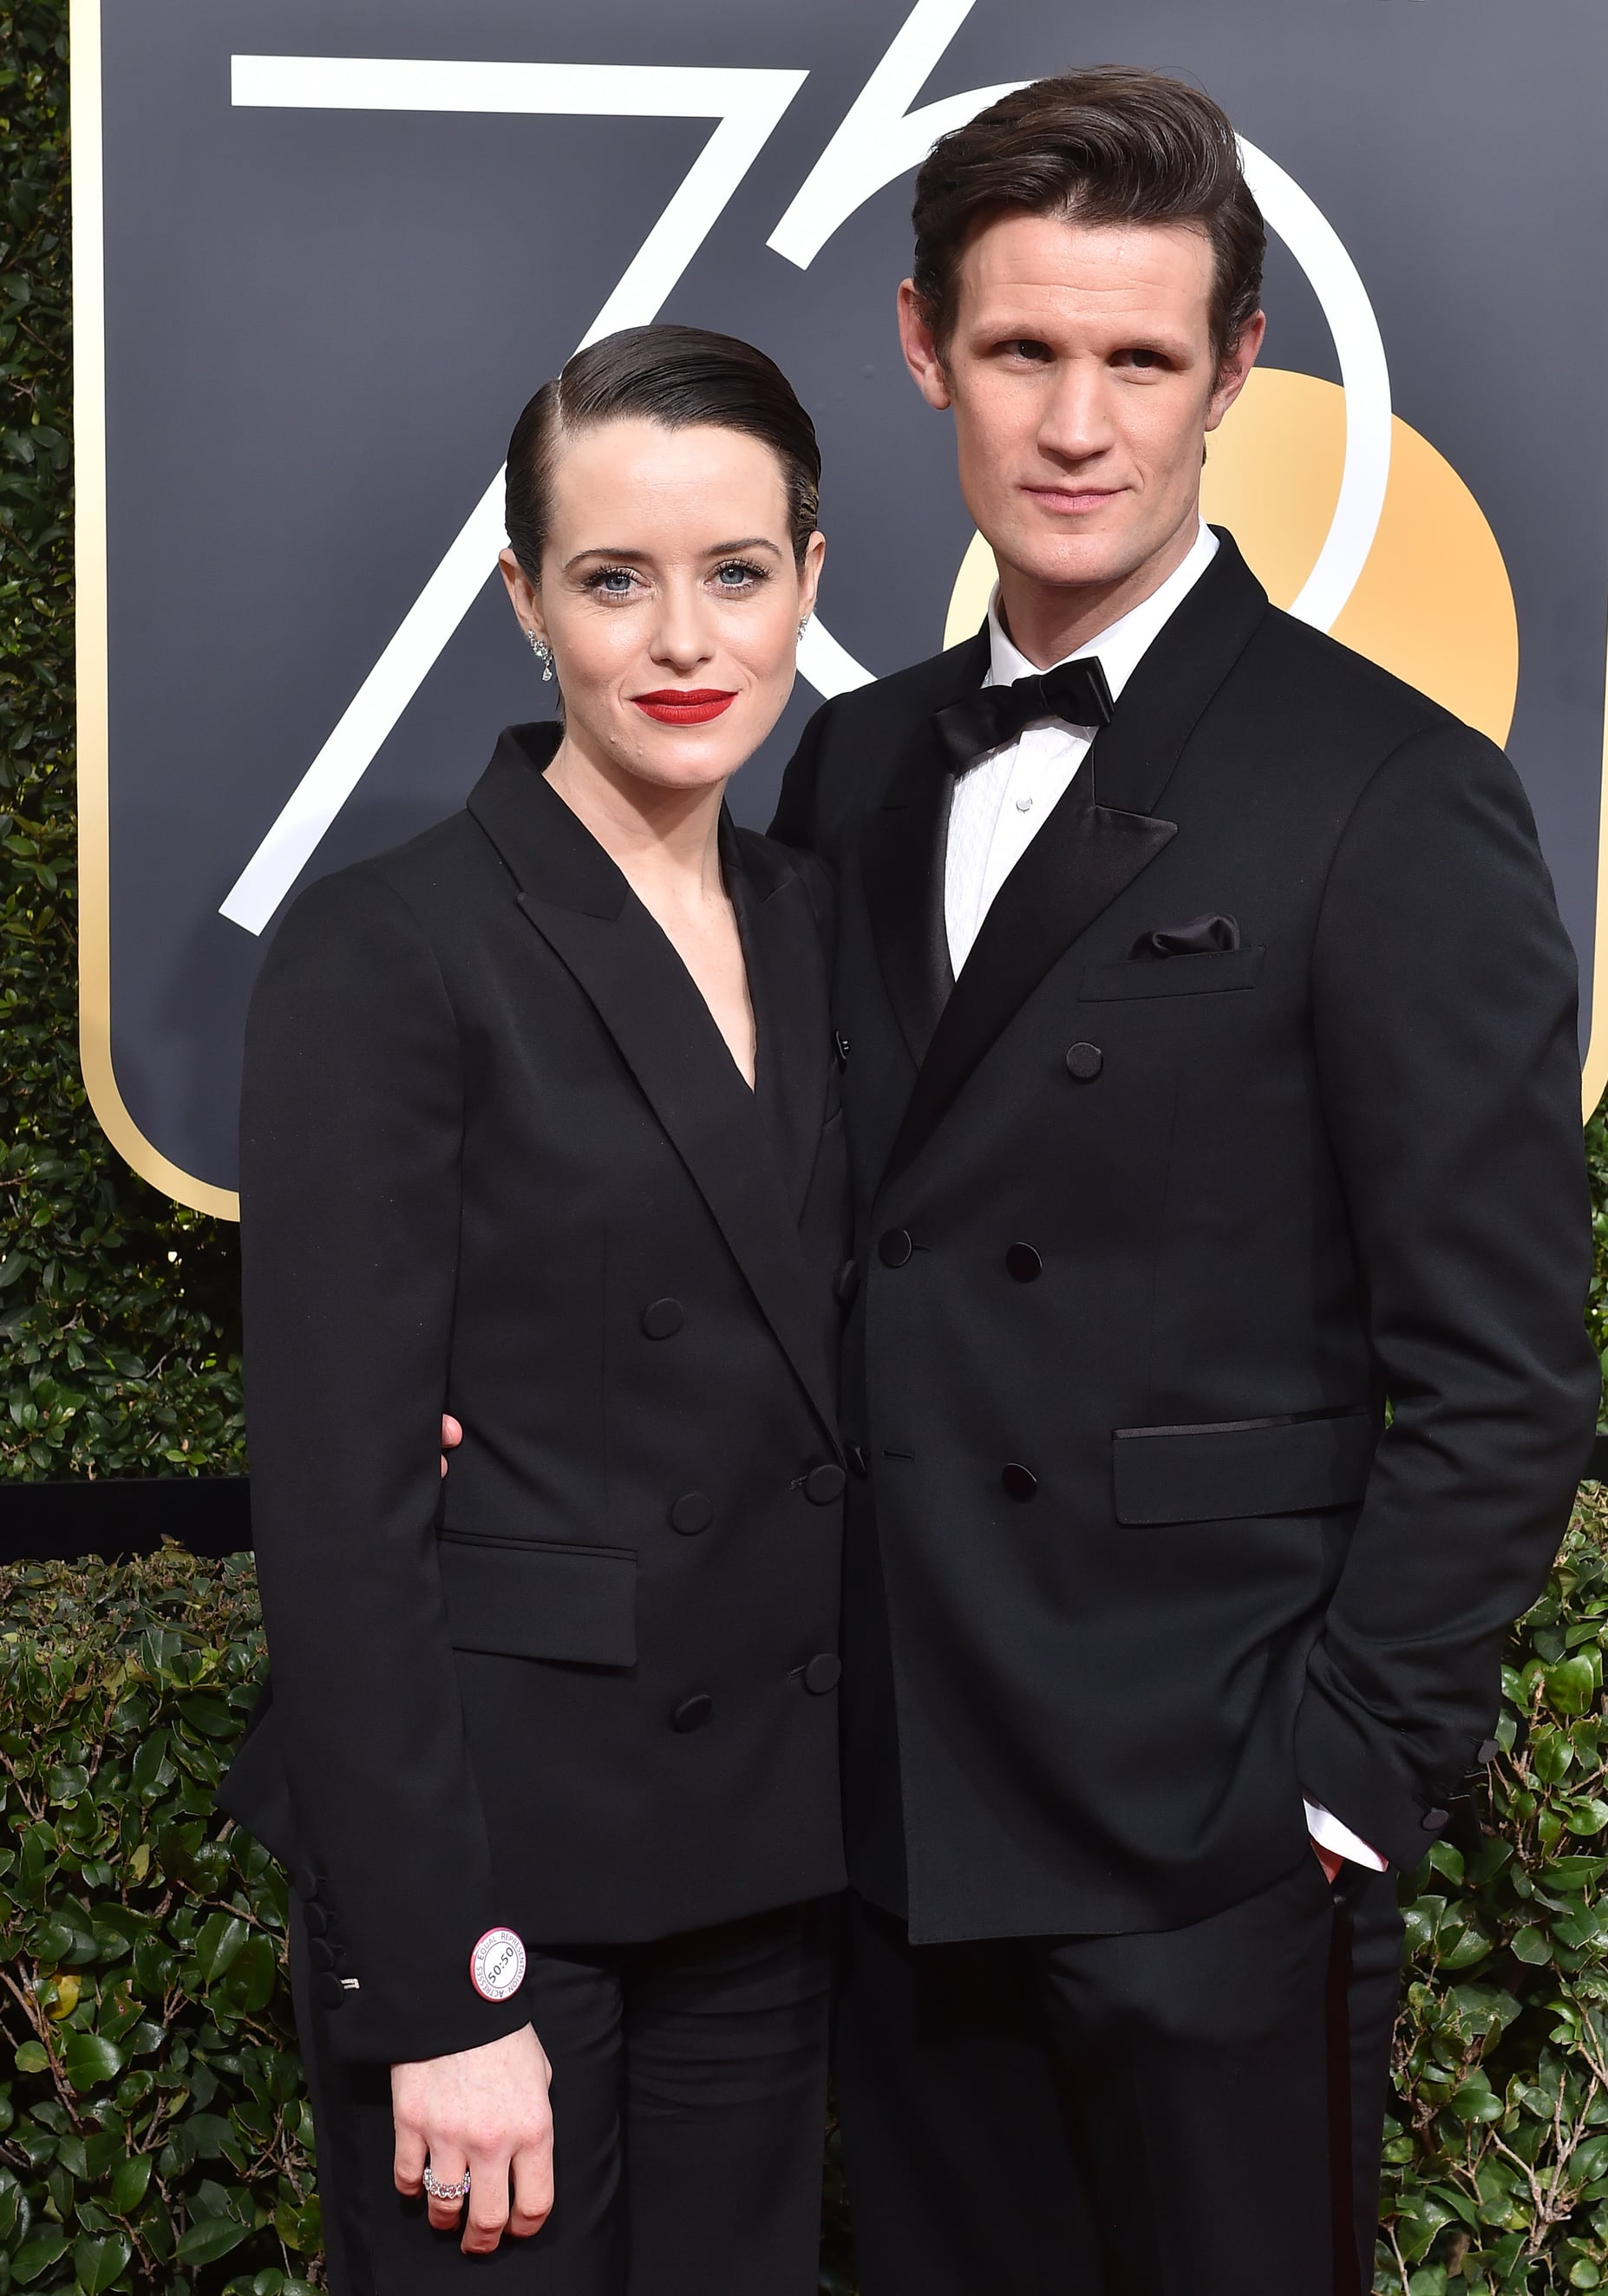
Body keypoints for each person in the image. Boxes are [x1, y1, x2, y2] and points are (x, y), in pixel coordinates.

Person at [768, 68, 1601, 2296]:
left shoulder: (1387, 794)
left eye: (1138, 358)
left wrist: (1334, 1793)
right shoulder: (841, 768)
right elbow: (756, 1219)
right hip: (892, 1815)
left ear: (1233, 372)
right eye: (1026, 349)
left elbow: (1509, 1371)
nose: (1076, 421)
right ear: (928, 344)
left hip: (1208, 1837)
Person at [219, 324, 853, 2293]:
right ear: (521, 600)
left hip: (768, 1855)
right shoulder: (387, 947)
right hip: (505, 1883)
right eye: (613, 577)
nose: (683, 636)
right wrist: (436, 1988)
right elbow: (338, 1518)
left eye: (736, 572)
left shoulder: (835, 931)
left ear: (810, 581)